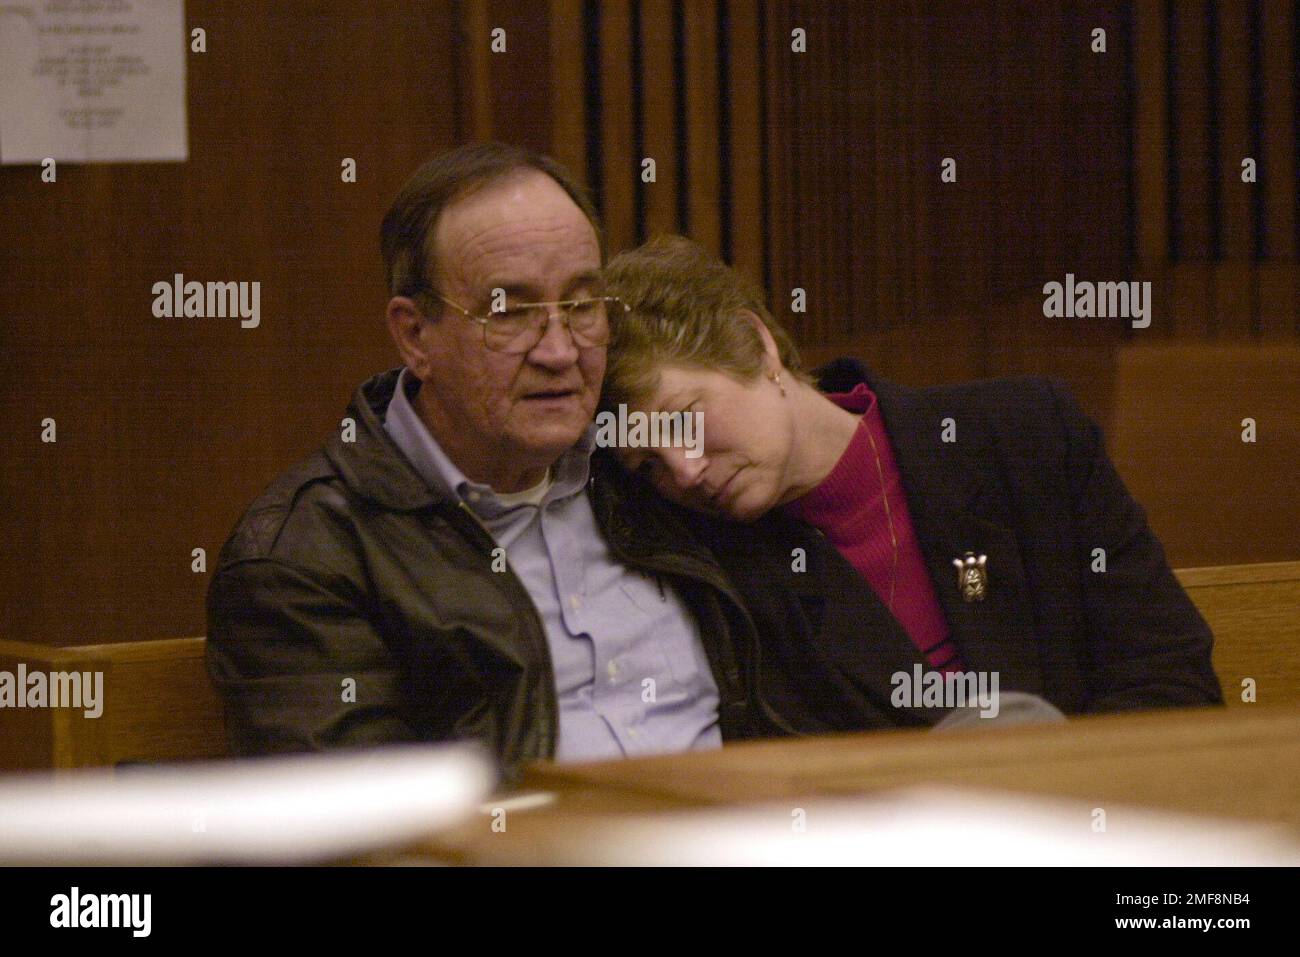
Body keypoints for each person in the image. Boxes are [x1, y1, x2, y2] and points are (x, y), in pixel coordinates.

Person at [205, 145, 797, 784]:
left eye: (580, 304)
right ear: (414, 336)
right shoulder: (309, 553)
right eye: (508, 312)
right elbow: (358, 834)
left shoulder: (650, 475)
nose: (559, 350)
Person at [600, 234, 1223, 733]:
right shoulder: (715, 573)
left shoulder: (1024, 435)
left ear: (757, 345)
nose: (683, 471)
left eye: (685, 419)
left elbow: (1170, 678)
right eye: (648, 466)